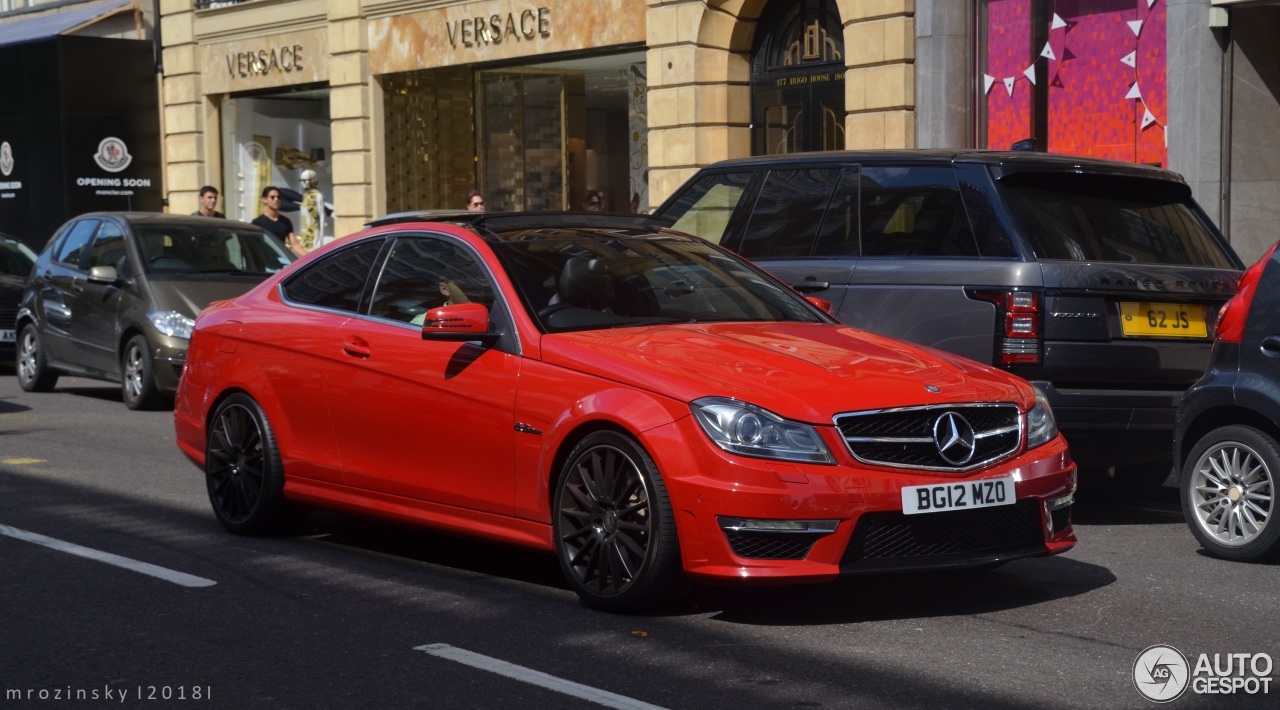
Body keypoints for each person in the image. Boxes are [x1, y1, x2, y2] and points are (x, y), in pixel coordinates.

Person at [252, 186, 306, 258]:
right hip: (265, 262)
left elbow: (294, 244)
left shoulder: (285, 222)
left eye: (278, 197)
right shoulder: (257, 223)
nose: (276, 199)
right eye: (272, 197)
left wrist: (308, 257)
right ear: (265, 200)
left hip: (282, 260)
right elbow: (254, 246)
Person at [298, 169, 325, 252]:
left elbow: (322, 216)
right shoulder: (305, 196)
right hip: (304, 233)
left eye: (304, 180)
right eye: (301, 180)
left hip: (314, 234)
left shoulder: (318, 195)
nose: (302, 183)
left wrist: (321, 238)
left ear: (312, 181)